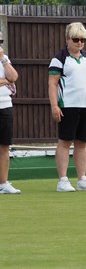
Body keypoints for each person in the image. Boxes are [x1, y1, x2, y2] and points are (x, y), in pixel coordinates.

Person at [48, 22, 86, 192]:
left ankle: (82, 179)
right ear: (67, 39)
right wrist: (54, 106)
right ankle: (63, 180)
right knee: (65, 141)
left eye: (82, 40)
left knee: (82, 143)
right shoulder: (59, 58)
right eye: (76, 39)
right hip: (68, 106)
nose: (79, 43)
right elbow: (52, 84)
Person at [0, 31, 21, 194]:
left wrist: (3, 59)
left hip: (5, 105)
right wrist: (5, 81)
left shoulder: (4, 59)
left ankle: (3, 183)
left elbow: (14, 76)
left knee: (5, 146)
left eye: (0, 40)